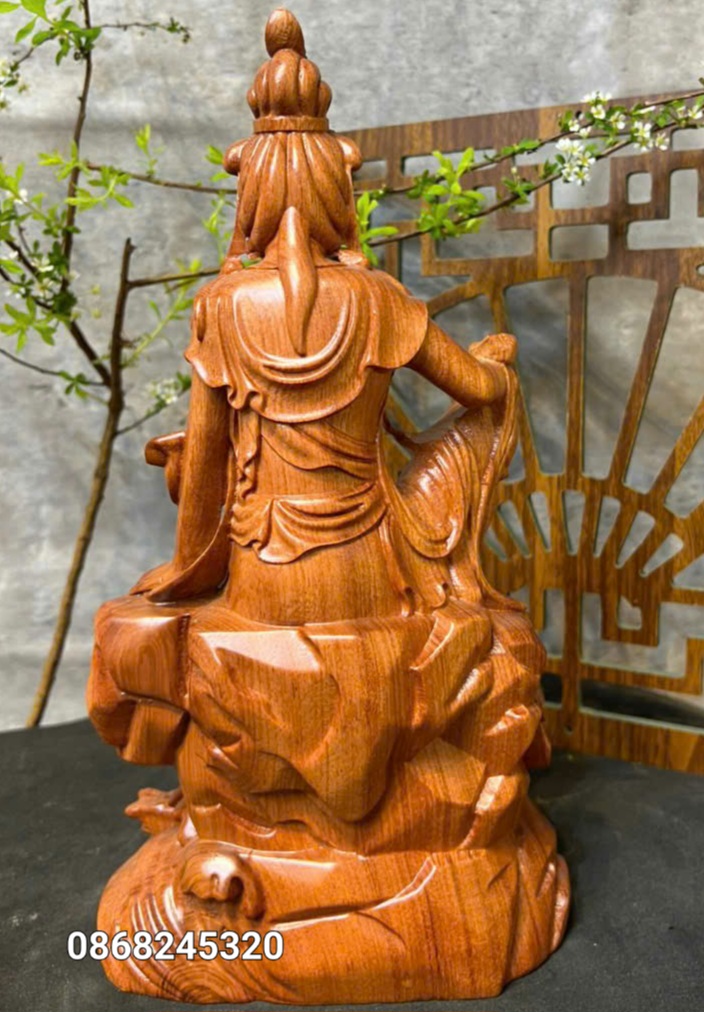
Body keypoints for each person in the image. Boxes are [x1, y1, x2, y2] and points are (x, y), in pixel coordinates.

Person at [87, 11, 568, 1003]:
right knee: (488, 416)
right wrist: (488, 365)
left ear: (251, 188)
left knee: (159, 617)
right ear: (339, 184)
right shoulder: (379, 300)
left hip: (263, 576)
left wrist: (185, 580)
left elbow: (207, 477)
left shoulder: (224, 307)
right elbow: (480, 397)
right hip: (370, 567)